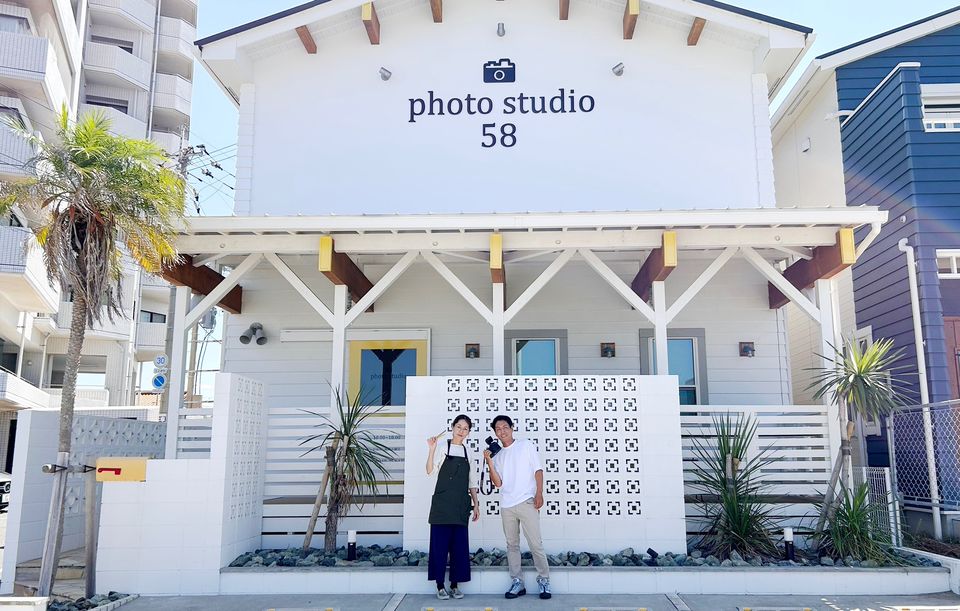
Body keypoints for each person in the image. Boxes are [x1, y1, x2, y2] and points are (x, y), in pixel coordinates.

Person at [483, 414, 551, 600]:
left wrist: (539, 493)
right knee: (512, 545)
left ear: (512, 428)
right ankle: (517, 582)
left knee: (535, 543)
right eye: (498, 429)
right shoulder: (497, 455)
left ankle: (544, 580)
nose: (502, 431)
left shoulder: (525, 445)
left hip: (527, 501)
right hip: (507, 505)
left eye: (505, 427)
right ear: (495, 433)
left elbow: (538, 470)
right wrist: (489, 462)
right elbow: (498, 483)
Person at [426, 414, 480, 600]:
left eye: (465, 429)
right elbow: (429, 471)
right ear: (452, 427)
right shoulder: (442, 447)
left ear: (468, 432)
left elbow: (472, 481)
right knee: (439, 546)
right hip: (442, 505)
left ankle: (455, 585)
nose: (461, 431)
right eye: (459, 427)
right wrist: (431, 449)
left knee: (459, 547)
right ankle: (440, 585)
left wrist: (476, 504)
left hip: (460, 506)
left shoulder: (468, 452)